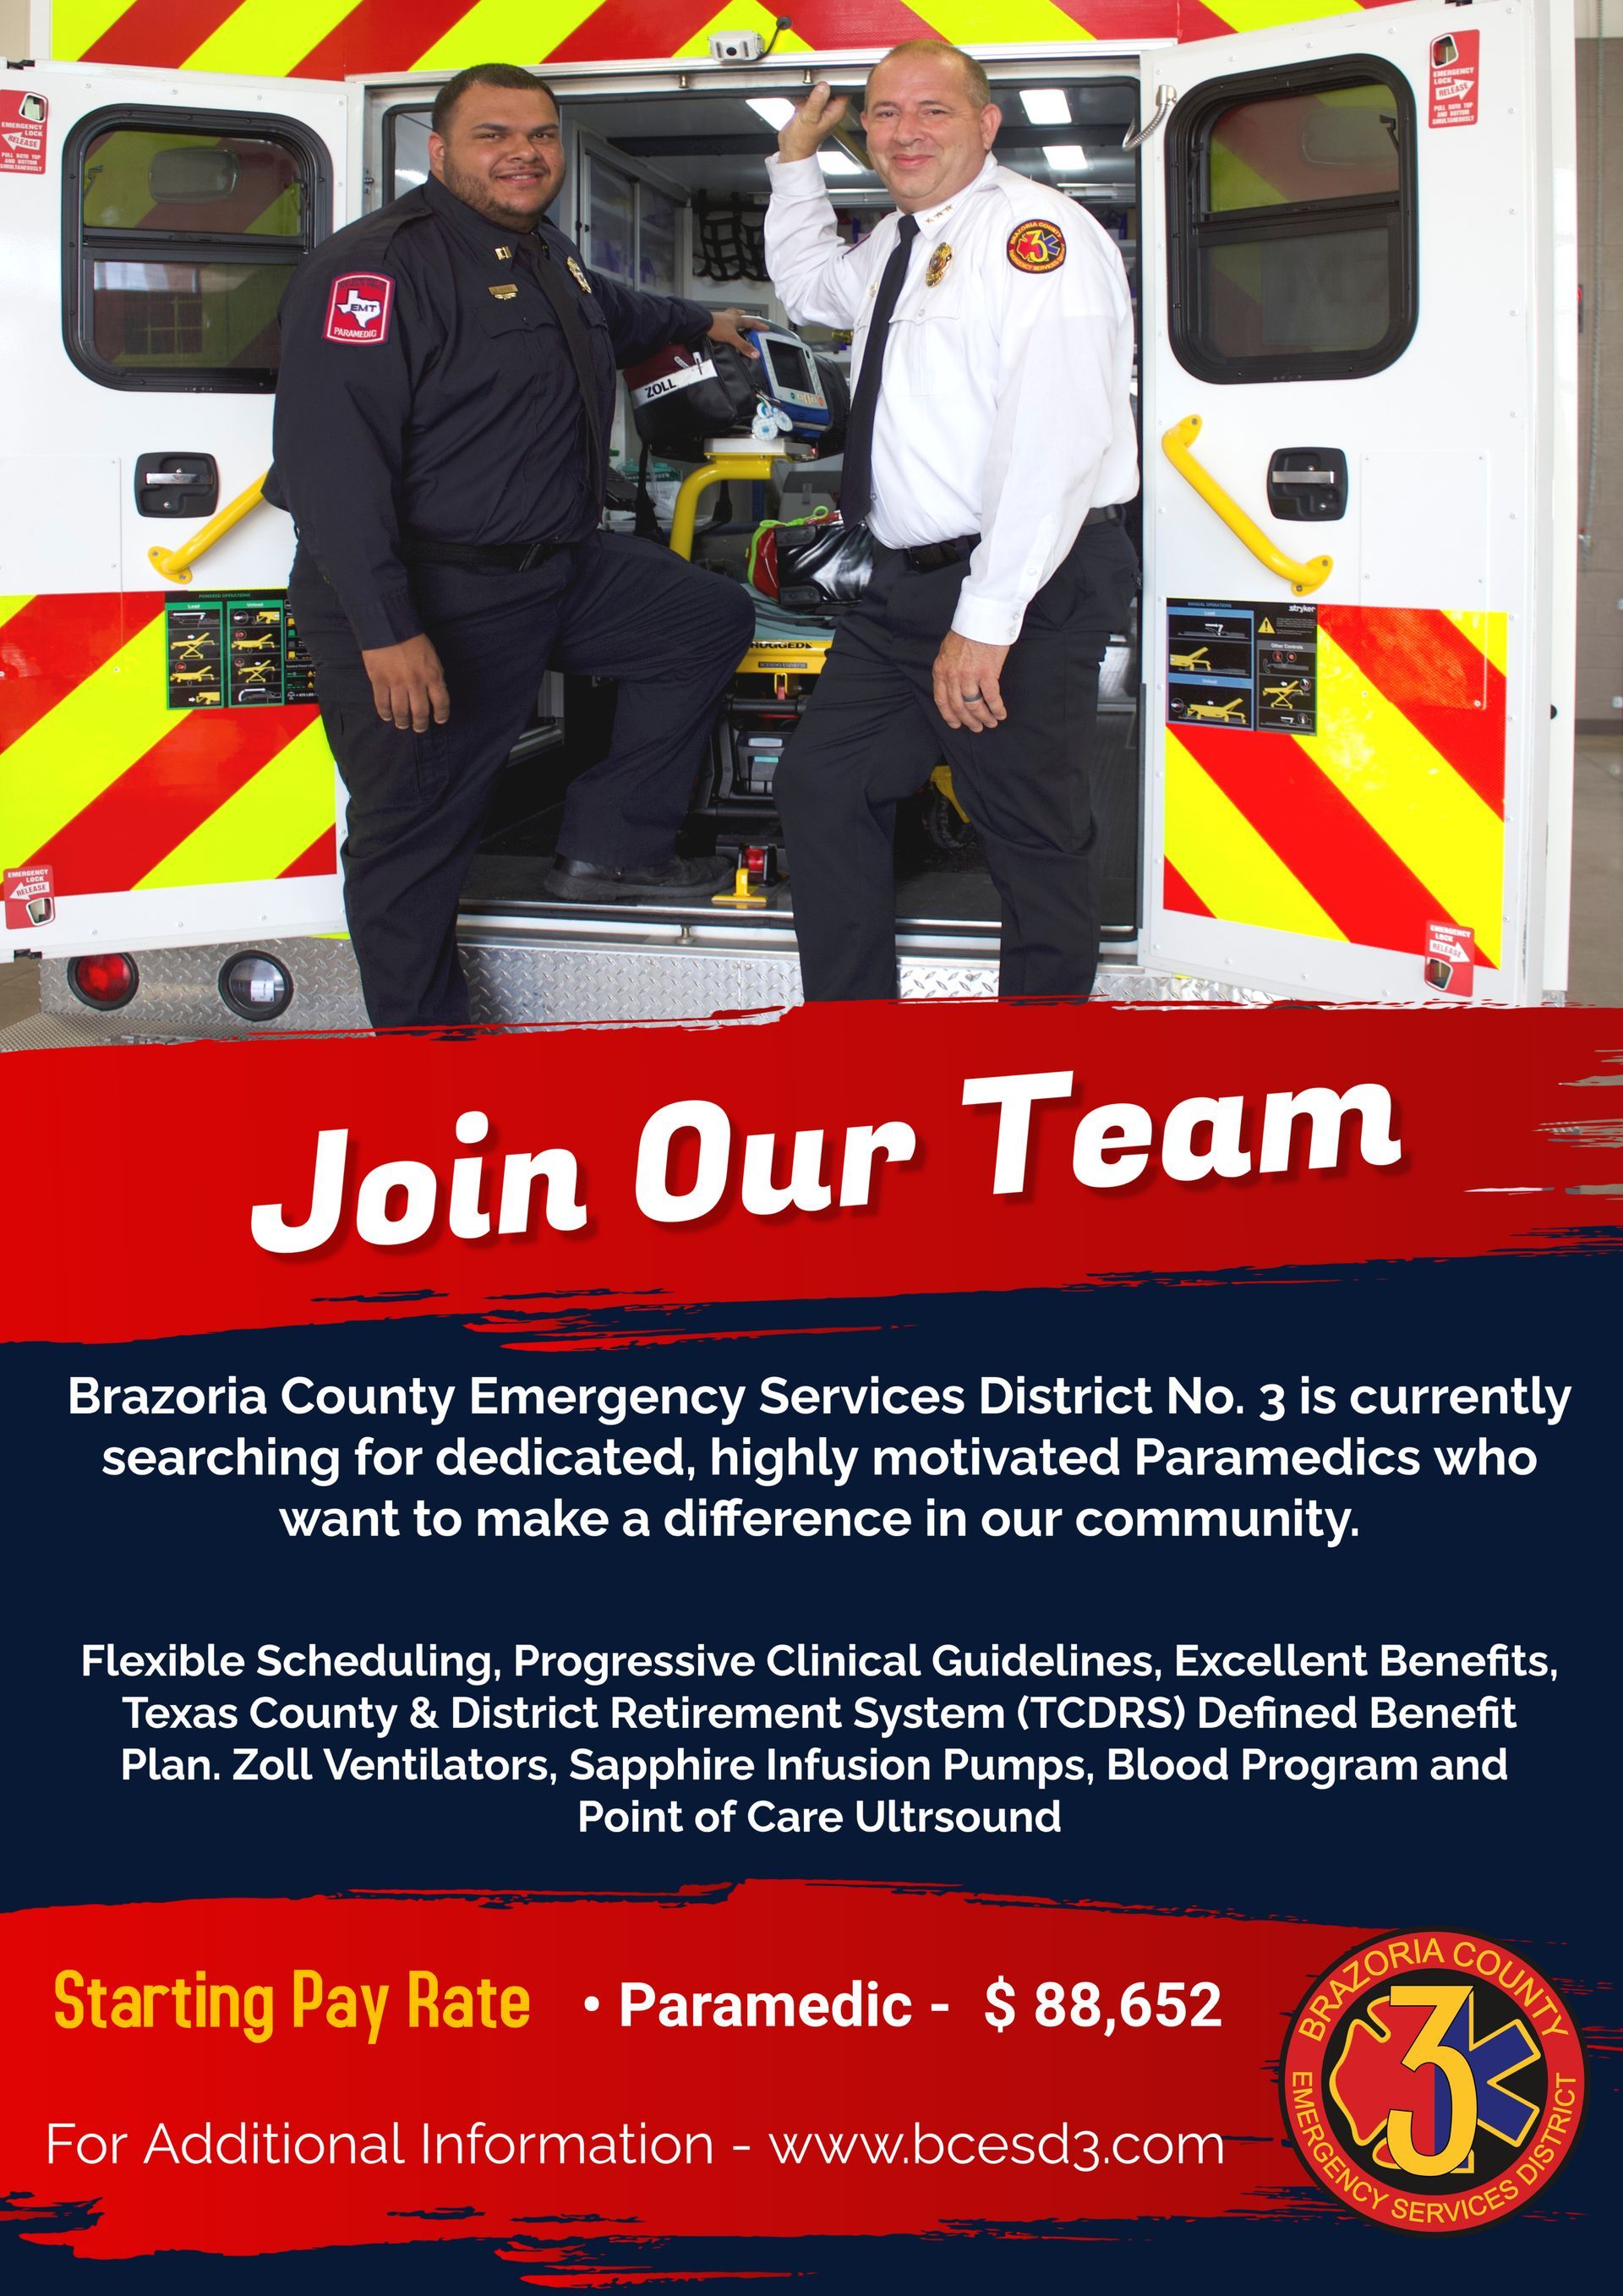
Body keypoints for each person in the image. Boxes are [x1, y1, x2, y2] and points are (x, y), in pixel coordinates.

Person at [267, 63, 757, 1027]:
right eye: (495, 135)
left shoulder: (545, 255)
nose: (524, 154)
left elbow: (616, 310)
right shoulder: (376, 269)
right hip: (424, 595)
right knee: (413, 836)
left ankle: (613, 847)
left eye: (539, 135)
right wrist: (385, 629)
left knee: (703, 617)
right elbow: (333, 472)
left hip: (553, 571)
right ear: (441, 150)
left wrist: (706, 320)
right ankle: (429, 1060)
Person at [763, 41, 1139, 1002]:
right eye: (885, 113)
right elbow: (811, 292)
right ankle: (857, 1042)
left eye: (933, 111)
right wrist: (796, 165)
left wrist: (988, 613)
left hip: (1024, 579)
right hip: (906, 586)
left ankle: (1039, 1077)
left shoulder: (1036, 238)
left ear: (986, 124)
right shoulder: (900, 239)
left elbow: (1056, 439)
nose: (905, 132)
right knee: (824, 785)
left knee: (1026, 826)